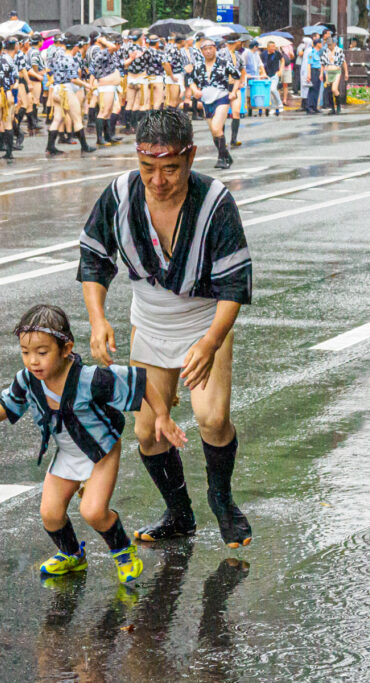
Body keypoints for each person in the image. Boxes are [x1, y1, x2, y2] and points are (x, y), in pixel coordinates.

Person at [78, 110, 254, 549]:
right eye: (148, 169)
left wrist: (211, 342)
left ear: (191, 157)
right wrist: (98, 320)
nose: (158, 180)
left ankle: (222, 498)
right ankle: (179, 513)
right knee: (147, 430)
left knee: (211, 419)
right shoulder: (119, 195)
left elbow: (235, 284)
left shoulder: (215, 201)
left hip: (204, 321)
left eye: (170, 169)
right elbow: (94, 260)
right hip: (151, 321)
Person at [0, 304, 187, 583]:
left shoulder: (90, 379)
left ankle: (123, 552)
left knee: (93, 511)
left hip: (101, 451)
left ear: (66, 348)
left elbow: (140, 383)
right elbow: (8, 403)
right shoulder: (28, 380)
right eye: (25, 353)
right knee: (50, 514)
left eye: (42, 352)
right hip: (68, 452)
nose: (33, 361)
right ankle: (72, 555)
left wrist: (163, 416)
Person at [188, 38, 238, 169]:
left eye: (211, 48)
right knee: (214, 132)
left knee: (217, 128)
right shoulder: (198, 65)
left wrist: (234, 92)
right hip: (206, 99)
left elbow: (238, 76)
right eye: (205, 49)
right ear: (202, 51)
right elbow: (190, 80)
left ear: (215, 49)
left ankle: (222, 158)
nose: (209, 51)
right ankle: (226, 155)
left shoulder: (224, 63)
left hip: (221, 97)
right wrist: (195, 90)